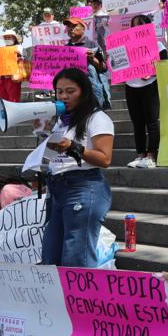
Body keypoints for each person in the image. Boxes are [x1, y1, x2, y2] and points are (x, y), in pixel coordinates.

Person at [41, 67, 114, 267]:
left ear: (84, 91)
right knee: (50, 256)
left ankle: (83, 299)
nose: (64, 96)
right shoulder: (61, 122)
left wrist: (74, 146)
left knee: (76, 259)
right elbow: (53, 157)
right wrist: (43, 134)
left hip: (84, 187)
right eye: (59, 91)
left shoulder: (97, 118)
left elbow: (105, 159)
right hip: (58, 189)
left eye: (70, 91)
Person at [125, 13, 168, 169]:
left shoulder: (157, 45)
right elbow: (118, 63)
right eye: (134, 25)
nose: (137, 28)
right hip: (131, 86)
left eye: (141, 24)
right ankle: (140, 155)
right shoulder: (126, 46)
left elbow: (164, 65)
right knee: (137, 123)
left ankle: (151, 156)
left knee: (151, 122)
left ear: (148, 27)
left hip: (150, 86)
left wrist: (152, 72)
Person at [64, 16, 111, 109]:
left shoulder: (92, 44)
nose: (71, 28)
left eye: (74, 25)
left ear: (83, 28)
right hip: (72, 93)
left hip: (91, 92)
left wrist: (92, 59)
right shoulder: (65, 48)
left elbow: (103, 68)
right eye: (68, 26)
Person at [0, 30, 26, 103]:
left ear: (14, 38)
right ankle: (6, 112)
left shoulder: (18, 47)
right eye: (5, 37)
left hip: (13, 76)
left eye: (9, 37)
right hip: (1, 76)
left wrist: (19, 57)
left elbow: (23, 59)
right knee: (3, 96)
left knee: (13, 96)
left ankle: (14, 112)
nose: (7, 39)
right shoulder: (1, 49)